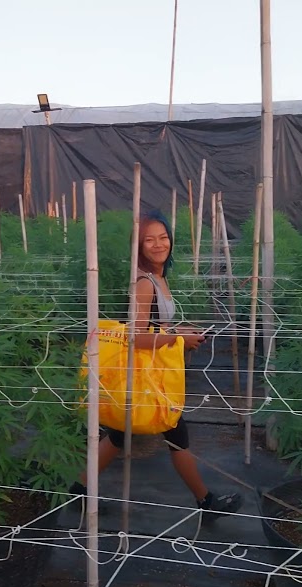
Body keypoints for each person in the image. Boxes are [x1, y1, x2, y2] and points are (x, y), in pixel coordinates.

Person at [70, 210, 244, 521]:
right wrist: (178, 337)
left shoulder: (159, 277)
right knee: (175, 433)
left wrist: (182, 329)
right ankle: (206, 503)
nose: (158, 244)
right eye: (149, 240)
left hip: (152, 370)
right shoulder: (144, 283)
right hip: (146, 374)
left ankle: (79, 489)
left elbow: (156, 326)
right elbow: (136, 338)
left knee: (120, 434)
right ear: (138, 245)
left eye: (163, 237)